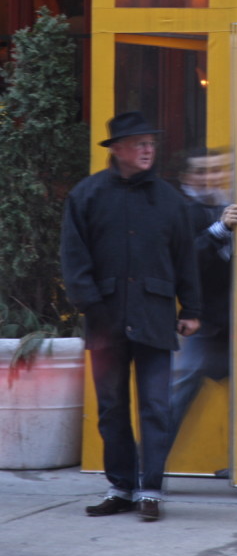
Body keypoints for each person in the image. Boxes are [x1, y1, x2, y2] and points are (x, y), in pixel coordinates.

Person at [60, 111, 202, 522]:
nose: (147, 150)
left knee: (156, 406)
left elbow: (185, 258)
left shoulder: (170, 200)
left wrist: (192, 309)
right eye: (139, 143)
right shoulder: (86, 196)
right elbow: (74, 257)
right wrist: (90, 305)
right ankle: (121, 487)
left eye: (151, 143)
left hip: (154, 315)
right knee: (111, 407)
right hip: (105, 318)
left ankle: (150, 490)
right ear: (118, 149)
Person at [168, 148, 237, 451]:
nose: (211, 177)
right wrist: (220, 230)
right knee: (178, 392)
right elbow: (185, 263)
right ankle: (145, 466)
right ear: (187, 178)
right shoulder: (182, 212)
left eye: (217, 169)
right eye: (202, 171)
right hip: (206, 324)